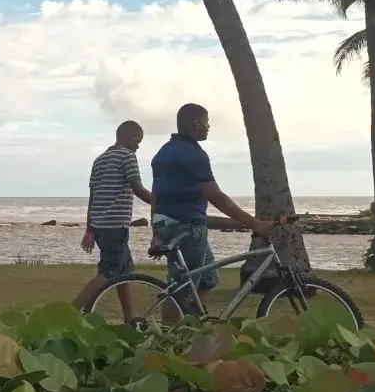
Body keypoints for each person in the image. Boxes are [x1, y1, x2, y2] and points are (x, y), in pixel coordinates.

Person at [150, 103, 273, 321]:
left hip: (166, 221)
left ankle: (190, 321)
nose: (208, 127)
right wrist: (255, 224)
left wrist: (156, 229)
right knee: (181, 289)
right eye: (206, 122)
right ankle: (169, 338)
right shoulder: (194, 155)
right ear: (196, 123)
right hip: (186, 225)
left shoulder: (164, 151)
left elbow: (156, 194)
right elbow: (215, 196)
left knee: (208, 279)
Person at [73, 120, 154, 319]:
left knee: (122, 273)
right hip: (115, 227)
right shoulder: (127, 156)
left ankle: (130, 319)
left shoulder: (99, 160)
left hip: (101, 226)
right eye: (138, 140)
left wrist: (89, 228)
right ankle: (68, 316)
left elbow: (93, 197)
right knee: (108, 272)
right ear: (129, 137)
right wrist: (164, 203)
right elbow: (138, 189)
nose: (138, 146)